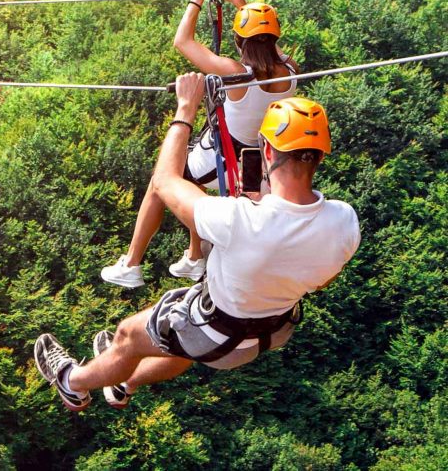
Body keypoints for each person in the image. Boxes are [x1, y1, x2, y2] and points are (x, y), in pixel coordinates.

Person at [35, 72, 360, 412]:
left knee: (128, 336)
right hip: (269, 332)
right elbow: (323, 279)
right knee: (179, 344)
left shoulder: (239, 219)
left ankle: (72, 383)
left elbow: (164, 181)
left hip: (215, 332)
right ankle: (124, 383)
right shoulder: (344, 222)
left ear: (266, 148)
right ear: (321, 156)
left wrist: (185, 109)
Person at [101, 0, 300, 287]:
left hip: (225, 156)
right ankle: (195, 256)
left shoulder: (235, 73)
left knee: (162, 180)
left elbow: (183, 42)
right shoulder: (291, 70)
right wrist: (239, 2)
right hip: (257, 161)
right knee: (194, 182)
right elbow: (265, 42)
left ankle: (131, 264)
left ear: (239, 41)